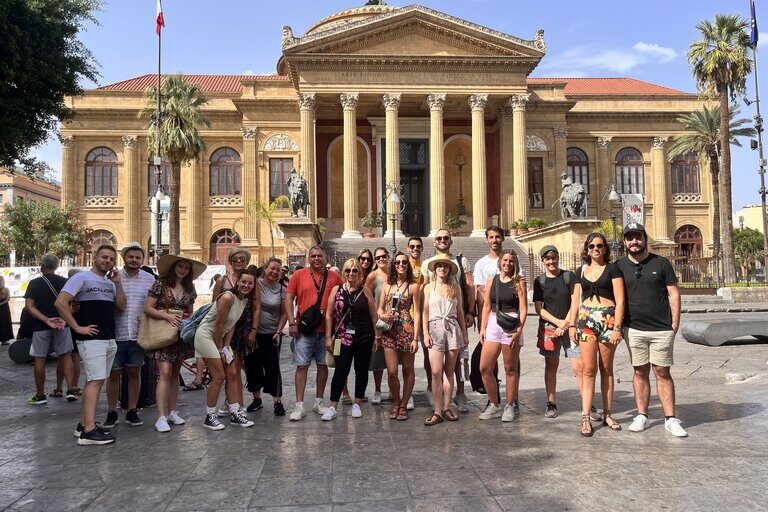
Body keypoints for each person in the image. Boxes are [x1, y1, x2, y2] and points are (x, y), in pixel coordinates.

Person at [616, 223, 687, 437]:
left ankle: (670, 418)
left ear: (645, 239)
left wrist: (674, 322)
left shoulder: (662, 263)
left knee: (662, 371)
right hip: (634, 328)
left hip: (661, 328)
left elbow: (673, 293)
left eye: (638, 237)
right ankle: (642, 415)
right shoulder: (619, 266)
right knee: (639, 371)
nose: (634, 241)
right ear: (624, 242)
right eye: (630, 238)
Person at [55, 245, 126, 445]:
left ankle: (83, 424)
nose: (108, 261)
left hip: (108, 338)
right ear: (95, 257)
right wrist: (77, 327)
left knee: (95, 381)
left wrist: (118, 284)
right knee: (95, 381)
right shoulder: (80, 278)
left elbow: (121, 306)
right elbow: (61, 303)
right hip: (91, 339)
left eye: (112, 259)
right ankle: (89, 432)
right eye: (104, 257)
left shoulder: (110, 282)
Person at [567, 232, 625, 437]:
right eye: (592, 246)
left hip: (607, 320)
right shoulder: (580, 271)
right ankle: (585, 416)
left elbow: (620, 300)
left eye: (599, 246)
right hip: (586, 319)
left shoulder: (613, 269)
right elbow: (575, 300)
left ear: (605, 249)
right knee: (588, 369)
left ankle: (608, 413)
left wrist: (617, 327)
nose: (596, 249)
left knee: (606, 368)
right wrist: (571, 325)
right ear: (587, 249)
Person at [144, 254, 206, 432]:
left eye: (187, 268)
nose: (183, 270)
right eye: (180, 267)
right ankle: (160, 416)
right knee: (164, 372)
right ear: (173, 267)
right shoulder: (160, 284)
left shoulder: (189, 288)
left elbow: (189, 313)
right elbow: (147, 308)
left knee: (174, 374)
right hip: (162, 333)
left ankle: (172, 411)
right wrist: (166, 315)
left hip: (180, 335)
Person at [284, 246, 342, 421]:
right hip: (305, 330)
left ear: (326, 258)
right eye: (313, 256)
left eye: (320, 256)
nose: (317, 258)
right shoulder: (299, 275)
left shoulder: (334, 276)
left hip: (327, 331)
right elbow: (288, 298)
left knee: (323, 365)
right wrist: (291, 323)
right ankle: (299, 405)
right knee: (301, 366)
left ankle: (318, 402)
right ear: (308, 259)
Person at [195, 266, 257, 430]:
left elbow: (231, 326)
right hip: (206, 336)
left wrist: (226, 347)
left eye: (250, 283)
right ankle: (210, 416)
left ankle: (235, 413)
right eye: (243, 281)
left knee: (233, 374)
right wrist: (220, 349)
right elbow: (218, 325)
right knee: (219, 376)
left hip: (221, 339)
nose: (246, 285)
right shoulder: (228, 297)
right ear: (238, 282)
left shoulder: (244, 300)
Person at [473, 225, 526, 414]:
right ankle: (494, 403)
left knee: (510, 368)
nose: (508, 263)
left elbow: (523, 307)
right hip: (493, 323)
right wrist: (482, 327)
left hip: (511, 324)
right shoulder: (489, 276)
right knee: (485, 367)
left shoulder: (519, 280)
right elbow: (486, 304)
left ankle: (511, 404)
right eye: (491, 237)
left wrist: (519, 330)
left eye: (511, 261)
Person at [103, 243, 156, 428]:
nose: (134, 260)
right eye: (131, 256)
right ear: (124, 258)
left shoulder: (150, 279)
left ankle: (132, 410)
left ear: (143, 260)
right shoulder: (112, 277)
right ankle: (112, 411)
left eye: (138, 257)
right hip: (116, 332)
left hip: (138, 334)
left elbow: (153, 304)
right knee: (114, 373)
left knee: (135, 371)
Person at [422, 228, 474, 413]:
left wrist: (469, 321)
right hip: (435, 327)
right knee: (436, 371)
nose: (442, 268)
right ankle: (438, 408)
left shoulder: (456, 282)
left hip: (453, 327)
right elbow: (425, 311)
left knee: (451, 370)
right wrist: (425, 333)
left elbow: (462, 305)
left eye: (446, 237)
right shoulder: (428, 286)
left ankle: (451, 403)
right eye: (439, 266)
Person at [323, 258, 380, 420]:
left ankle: (357, 403)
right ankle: (333, 405)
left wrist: (377, 336)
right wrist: (328, 337)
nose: (351, 273)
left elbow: (373, 315)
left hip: (364, 337)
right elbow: (329, 315)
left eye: (355, 270)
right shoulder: (336, 290)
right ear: (344, 272)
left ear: (360, 273)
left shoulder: (365, 291)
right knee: (341, 371)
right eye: (348, 270)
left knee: (361, 370)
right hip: (341, 338)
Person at [24, 254, 77, 405]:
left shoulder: (34, 283)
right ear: (56, 266)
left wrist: (46, 320)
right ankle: (71, 389)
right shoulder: (65, 282)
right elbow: (73, 305)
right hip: (62, 324)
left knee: (39, 358)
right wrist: (63, 319)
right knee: (66, 356)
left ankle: (40, 395)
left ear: (42, 266)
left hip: (41, 326)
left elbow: (29, 306)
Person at [532, 245, 578, 419]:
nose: (551, 262)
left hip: (570, 329)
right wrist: (557, 323)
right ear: (543, 261)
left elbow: (575, 302)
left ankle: (587, 402)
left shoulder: (568, 276)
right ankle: (551, 402)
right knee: (551, 365)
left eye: (553, 258)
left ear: (558, 258)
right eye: (547, 259)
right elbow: (539, 308)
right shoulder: (540, 281)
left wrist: (565, 325)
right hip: (550, 330)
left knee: (578, 364)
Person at [377, 252, 421, 421]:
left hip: (407, 330)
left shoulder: (413, 287)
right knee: (392, 372)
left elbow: (416, 313)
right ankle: (396, 402)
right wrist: (383, 316)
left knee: (408, 370)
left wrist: (416, 337)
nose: (401, 264)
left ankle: (403, 405)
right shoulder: (386, 286)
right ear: (393, 265)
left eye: (404, 262)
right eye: (397, 262)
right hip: (390, 331)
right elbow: (379, 309)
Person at [243, 259, 288, 416]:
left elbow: (284, 313)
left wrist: (279, 330)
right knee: (252, 366)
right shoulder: (255, 284)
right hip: (252, 334)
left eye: (278, 270)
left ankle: (277, 401)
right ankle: (257, 399)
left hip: (271, 334)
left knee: (273, 367)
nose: (275, 272)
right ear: (265, 268)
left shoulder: (281, 289)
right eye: (272, 268)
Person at [364, 246, 390, 405]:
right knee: (378, 359)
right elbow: (367, 299)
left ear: (388, 257)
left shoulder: (394, 274)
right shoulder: (372, 276)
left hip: (394, 322)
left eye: (383, 256)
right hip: (378, 322)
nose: (381, 259)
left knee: (396, 360)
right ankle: (378, 390)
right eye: (378, 257)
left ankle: (395, 389)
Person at [407, 236, 428, 409]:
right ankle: (407, 393)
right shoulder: (403, 265)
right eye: (412, 246)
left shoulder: (427, 266)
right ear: (408, 248)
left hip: (425, 316)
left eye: (418, 246)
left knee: (430, 353)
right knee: (407, 358)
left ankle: (431, 386)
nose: (415, 249)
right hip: (408, 317)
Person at [0, 275, 12, 345]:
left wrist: (1, 304)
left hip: (4, 308)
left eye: (1, 280)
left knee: (4, 322)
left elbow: (8, 298)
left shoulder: (6, 289)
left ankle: (4, 340)